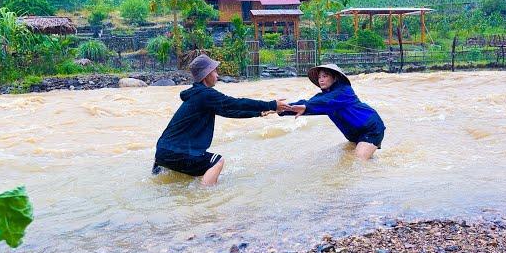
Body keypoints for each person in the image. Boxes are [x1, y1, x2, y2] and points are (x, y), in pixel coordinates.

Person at [153, 54, 292, 185]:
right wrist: (271, 104)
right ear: (206, 75)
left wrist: (259, 112)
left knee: (196, 175)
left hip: (161, 153)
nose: (217, 75)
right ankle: (205, 200)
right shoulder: (205, 94)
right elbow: (235, 102)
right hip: (176, 151)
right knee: (217, 162)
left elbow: (229, 111)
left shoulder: (198, 96)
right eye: (214, 71)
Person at [281, 64, 385, 160]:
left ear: (335, 78)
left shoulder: (345, 91)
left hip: (371, 128)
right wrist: (279, 109)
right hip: (355, 133)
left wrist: (306, 106)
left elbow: (321, 102)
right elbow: (305, 104)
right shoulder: (322, 98)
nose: (321, 80)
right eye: (319, 77)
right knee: (351, 160)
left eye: (325, 76)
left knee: (357, 162)